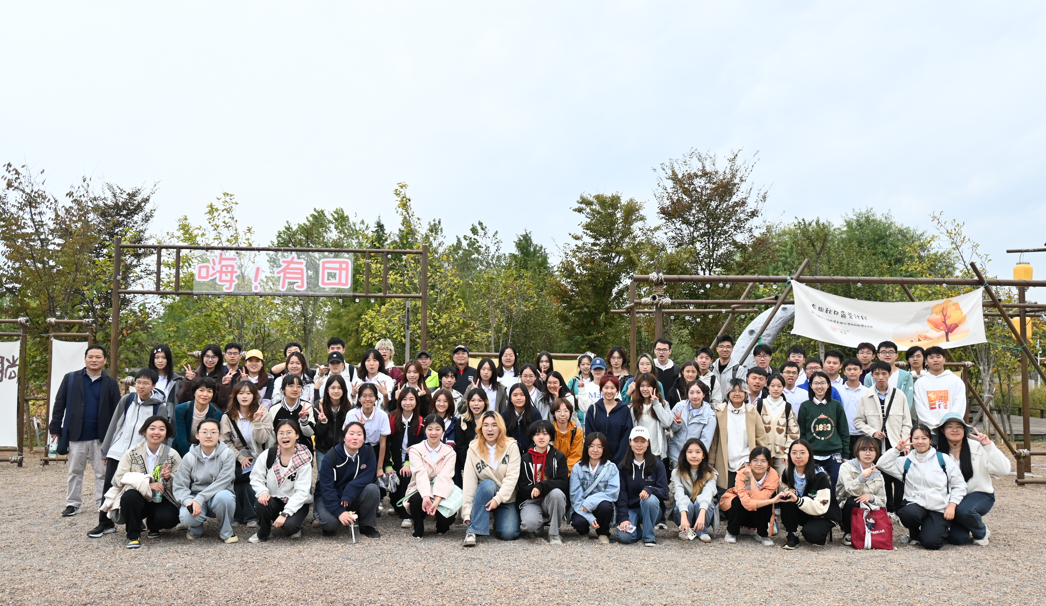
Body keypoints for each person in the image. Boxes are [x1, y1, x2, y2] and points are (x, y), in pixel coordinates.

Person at [94, 369, 171, 537]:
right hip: (117, 451)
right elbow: (115, 424)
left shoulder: (158, 407)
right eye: (138, 382)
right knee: (110, 486)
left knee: (138, 487)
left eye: (145, 383)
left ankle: (137, 521)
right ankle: (105, 523)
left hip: (139, 455)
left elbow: (161, 434)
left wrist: (160, 457)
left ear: (153, 385)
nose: (141, 386)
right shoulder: (127, 400)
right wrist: (106, 451)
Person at [49, 344, 122, 518]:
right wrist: (55, 427)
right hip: (76, 433)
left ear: (105, 360)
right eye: (90, 356)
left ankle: (102, 503)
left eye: (98, 357)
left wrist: (116, 435)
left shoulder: (111, 382)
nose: (94, 360)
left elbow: (118, 411)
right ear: (85, 359)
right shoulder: (71, 378)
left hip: (102, 436)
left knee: (102, 473)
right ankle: (73, 503)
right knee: (74, 471)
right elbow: (59, 403)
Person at [878, 425, 967, 550]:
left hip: (938, 507)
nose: (920, 441)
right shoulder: (906, 461)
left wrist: (952, 505)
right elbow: (881, 464)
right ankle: (914, 533)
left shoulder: (943, 459)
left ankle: (935, 529)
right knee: (907, 513)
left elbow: (959, 485)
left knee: (932, 543)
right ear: (911, 440)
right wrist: (897, 450)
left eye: (924, 438)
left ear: (930, 440)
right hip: (915, 504)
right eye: (916, 438)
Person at [937, 412, 1010, 546]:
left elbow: (1004, 470)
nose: (954, 430)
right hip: (953, 499)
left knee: (965, 510)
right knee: (957, 539)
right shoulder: (938, 451)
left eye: (959, 426)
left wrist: (989, 446)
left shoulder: (977, 447)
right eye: (950, 426)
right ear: (942, 430)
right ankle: (967, 523)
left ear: (964, 429)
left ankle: (981, 531)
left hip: (979, 494)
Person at [111, 415, 182, 548]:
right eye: (152, 428)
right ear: (144, 431)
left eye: (161, 429)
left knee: (171, 517)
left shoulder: (173, 455)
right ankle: (133, 535)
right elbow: (118, 479)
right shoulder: (132, 453)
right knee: (129, 497)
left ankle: (153, 525)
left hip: (162, 498)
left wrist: (168, 478)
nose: (156, 432)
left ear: (166, 433)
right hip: (138, 497)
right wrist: (147, 484)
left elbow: (182, 481)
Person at [853, 360, 912, 514]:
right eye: (877, 374)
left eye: (884, 374)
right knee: (881, 477)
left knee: (900, 478)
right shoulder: (866, 396)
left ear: (889, 375)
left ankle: (900, 509)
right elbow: (858, 421)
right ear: (871, 375)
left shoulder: (899, 395)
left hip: (897, 444)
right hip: (876, 445)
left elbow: (907, 422)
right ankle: (887, 509)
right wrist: (872, 431)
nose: (880, 377)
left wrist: (905, 443)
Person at [173, 418, 239, 543]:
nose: (209, 436)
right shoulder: (189, 457)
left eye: (213, 432)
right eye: (204, 432)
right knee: (186, 517)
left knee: (225, 497)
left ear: (219, 436)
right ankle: (195, 528)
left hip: (218, 495)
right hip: (195, 496)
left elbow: (224, 481)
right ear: (197, 436)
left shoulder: (227, 454)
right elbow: (180, 485)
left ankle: (227, 531)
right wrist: (189, 501)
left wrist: (200, 498)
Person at [220, 380, 275, 528]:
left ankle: (251, 516)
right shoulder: (227, 417)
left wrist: (256, 421)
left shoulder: (263, 413)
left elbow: (262, 439)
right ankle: (238, 516)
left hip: (259, 457)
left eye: (248, 393)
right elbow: (225, 442)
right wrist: (240, 457)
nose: (244, 396)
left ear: (254, 396)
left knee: (250, 481)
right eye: (241, 393)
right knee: (238, 481)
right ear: (235, 396)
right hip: (235, 457)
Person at [461, 411, 522, 546]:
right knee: (488, 484)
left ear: (500, 427)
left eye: (494, 425)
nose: (490, 429)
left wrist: (498, 499)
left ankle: (496, 520)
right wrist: (467, 512)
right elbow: (469, 481)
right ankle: (472, 531)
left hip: (505, 498)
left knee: (509, 533)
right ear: (480, 428)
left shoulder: (511, 446)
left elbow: (512, 478)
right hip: (484, 495)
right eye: (486, 425)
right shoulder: (473, 448)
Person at [248, 419, 313, 542]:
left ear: (297, 436)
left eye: (289, 432)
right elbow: (256, 477)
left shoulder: (304, 459)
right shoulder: (268, 454)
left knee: (290, 527)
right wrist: (263, 492)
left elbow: (302, 492)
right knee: (261, 503)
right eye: (281, 433)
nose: (285, 436)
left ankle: (293, 525)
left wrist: (285, 513)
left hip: (297, 502)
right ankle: (264, 532)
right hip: (274, 499)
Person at [315, 421, 382, 539]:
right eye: (351, 433)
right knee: (330, 524)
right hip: (330, 495)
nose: (355, 437)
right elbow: (326, 488)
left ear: (364, 438)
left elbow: (368, 476)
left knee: (372, 489)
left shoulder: (368, 452)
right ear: (344, 437)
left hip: (351, 494)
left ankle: (366, 525)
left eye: (359, 434)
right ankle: (333, 516)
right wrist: (339, 512)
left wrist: (349, 491)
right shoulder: (331, 456)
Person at [778, 439, 840, 549]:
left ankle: (821, 531)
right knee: (787, 497)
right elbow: (783, 485)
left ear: (810, 454)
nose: (798, 456)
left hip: (822, 513)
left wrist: (798, 500)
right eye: (794, 452)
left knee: (813, 536)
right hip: (804, 510)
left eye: (802, 452)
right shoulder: (788, 471)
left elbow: (822, 505)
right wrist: (788, 490)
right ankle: (792, 534)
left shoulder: (821, 475)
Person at [404, 415, 458, 538]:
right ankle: (418, 529)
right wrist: (426, 496)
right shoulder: (415, 450)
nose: (434, 433)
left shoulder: (450, 452)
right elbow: (420, 474)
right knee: (416, 499)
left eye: (438, 429)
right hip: (420, 487)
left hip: (443, 488)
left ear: (443, 430)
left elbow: (445, 477)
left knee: (446, 518)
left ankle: (442, 527)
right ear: (425, 429)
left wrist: (437, 500)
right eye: (430, 429)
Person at [710, 379, 768, 493]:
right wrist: (711, 459)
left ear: (746, 393)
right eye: (733, 391)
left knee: (746, 492)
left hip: (746, 460)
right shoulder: (720, 411)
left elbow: (760, 436)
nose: (737, 393)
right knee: (725, 494)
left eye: (741, 391)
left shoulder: (752, 411)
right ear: (728, 393)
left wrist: (762, 458)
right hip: (725, 459)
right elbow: (714, 438)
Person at [518, 420, 570, 544]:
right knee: (530, 525)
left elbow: (562, 482)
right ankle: (538, 526)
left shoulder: (559, 456)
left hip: (551, 499)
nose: (541, 437)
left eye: (545, 434)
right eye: (537, 434)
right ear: (532, 437)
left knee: (557, 493)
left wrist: (541, 486)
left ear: (550, 436)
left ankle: (554, 533)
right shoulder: (525, 458)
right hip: (531, 500)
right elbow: (522, 487)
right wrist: (534, 490)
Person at [616, 426, 669, 547]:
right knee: (625, 537)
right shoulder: (622, 467)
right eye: (636, 441)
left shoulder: (658, 465)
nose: (639, 445)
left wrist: (650, 489)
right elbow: (621, 495)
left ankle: (649, 537)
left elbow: (665, 492)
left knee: (649, 499)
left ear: (648, 443)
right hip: (631, 509)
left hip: (652, 509)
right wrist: (623, 518)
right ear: (630, 442)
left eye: (643, 441)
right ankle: (639, 532)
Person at [720, 446, 782, 546]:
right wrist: (772, 501)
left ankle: (762, 534)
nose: (759, 464)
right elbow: (746, 502)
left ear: (768, 464)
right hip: (740, 510)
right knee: (738, 500)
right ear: (750, 462)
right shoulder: (742, 473)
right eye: (755, 460)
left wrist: (752, 479)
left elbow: (761, 498)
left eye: (763, 461)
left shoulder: (773, 476)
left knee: (766, 501)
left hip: (758, 513)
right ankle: (731, 532)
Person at [797, 371, 849, 487]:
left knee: (836, 481)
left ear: (828, 385)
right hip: (812, 453)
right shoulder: (805, 406)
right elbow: (802, 433)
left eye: (822, 383)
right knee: (813, 484)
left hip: (834, 453)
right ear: (811, 386)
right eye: (816, 383)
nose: (819, 386)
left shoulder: (836, 405)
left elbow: (844, 431)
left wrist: (845, 455)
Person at [569, 432, 621, 544]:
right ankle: (583, 531)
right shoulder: (577, 468)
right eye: (591, 446)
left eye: (599, 447)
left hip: (600, 506)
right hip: (581, 507)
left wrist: (589, 502)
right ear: (586, 447)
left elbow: (612, 493)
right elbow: (575, 497)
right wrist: (589, 516)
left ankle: (603, 532)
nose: (595, 450)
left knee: (606, 506)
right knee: (579, 522)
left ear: (604, 449)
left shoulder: (611, 468)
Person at [835, 436, 887, 547]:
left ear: (876, 453)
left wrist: (870, 497)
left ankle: (873, 532)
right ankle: (849, 532)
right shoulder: (846, 467)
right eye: (863, 449)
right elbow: (850, 490)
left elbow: (883, 501)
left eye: (871, 450)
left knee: (867, 502)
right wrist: (862, 478)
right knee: (853, 501)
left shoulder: (878, 474)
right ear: (857, 452)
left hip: (869, 508)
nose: (868, 453)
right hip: (847, 505)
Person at [384, 386, 425, 526]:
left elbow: (418, 446)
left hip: (411, 461)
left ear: (416, 402)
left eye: (411, 399)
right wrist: (387, 465)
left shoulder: (420, 421)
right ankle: (396, 505)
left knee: (406, 476)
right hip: (394, 460)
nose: (408, 402)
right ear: (399, 401)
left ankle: (406, 515)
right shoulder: (392, 418)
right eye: (404, 399)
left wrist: (408, 463)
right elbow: (386, 443)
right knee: (394, 485)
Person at [670, 437, 717, 542]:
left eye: (698, 452)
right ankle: (685, 530)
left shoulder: (711, 473)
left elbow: (707, 494)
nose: (694, 455)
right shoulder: (676, 472)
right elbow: (679, 494)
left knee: (705, 503)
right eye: (690, 452)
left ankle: (703, 530)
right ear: (685, 454)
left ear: (703, 455)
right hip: (685, 511)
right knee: (687, 503)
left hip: (702, 512)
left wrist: (702, 514)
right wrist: (683, 516)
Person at [344, 383, 391, 485]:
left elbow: (383, 443)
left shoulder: (382, 416)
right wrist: (358, 428)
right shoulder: (351, 414)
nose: (367, 399)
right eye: (364, 396)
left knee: (375, 484)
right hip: (355, 450)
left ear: (376, 398)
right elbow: (346, 439)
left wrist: (379, 467)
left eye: (371, 395)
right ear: (359, 398)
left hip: (374, 451)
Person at [912, 345, 967, 429]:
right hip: (929, 429)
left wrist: (949, 422)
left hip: (951, 428)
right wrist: (934, 423)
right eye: (931, 358)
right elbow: (920, 407)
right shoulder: (920, 383)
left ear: (944, 359)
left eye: (938, 357)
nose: (935, 360)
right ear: (926, 360)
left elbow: (959, 404)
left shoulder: (956, 381)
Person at [756, 373, 799, 475]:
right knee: (762, 480)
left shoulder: (787, 406)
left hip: (781, 455)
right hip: (762, 453)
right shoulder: (760, 404)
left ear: (783, 387)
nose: (776, 389)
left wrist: (787, 453)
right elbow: (753, 429)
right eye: (772, 386)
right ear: (768, 386)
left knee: (782, 480)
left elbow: (793, 432)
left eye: (779, 386)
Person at [584, 375, 634, 464]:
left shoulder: (624, 410)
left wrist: (619, 458)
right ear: (601, 389)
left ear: (617, 390)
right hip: (597, 459)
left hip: (619, 461)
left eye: (612, 388)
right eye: (606, 388)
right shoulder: (593, 409)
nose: (609, 391)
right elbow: (590, 434)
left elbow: (626, 436)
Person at [863, 340, 916, 423]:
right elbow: (867, 399)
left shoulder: (906, 376)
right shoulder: (869, 376)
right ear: (878, 355)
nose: (887, 355)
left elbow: (908, 400)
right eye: (883, 352)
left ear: (896, 355)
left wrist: (901, 418)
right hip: (876, 420)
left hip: (898, 420)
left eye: (891, 352)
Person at [628, 372, 673, 468]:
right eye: (642, 386)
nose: (645, 389)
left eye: (648, 386)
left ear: (654, 387)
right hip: (638, 451)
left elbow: (667, 423)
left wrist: (656, 403)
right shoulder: (632, 406)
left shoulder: (663, 404)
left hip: (657, 452)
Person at [173, 377, 223, 456]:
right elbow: (181, 438)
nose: (205, 394)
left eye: (209, 391)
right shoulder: (181, 409)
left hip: (203, 452)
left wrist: (200, 457)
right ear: (194, 392)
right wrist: (189, 458)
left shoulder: (217, 414)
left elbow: (209, 438)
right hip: (180, 450)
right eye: (201, 390)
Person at [669, 380, 717, 462]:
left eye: (698, 392)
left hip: (694, 457)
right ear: (687, 394)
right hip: (676, 454)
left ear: (703, 394)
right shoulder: (679, 406)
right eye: (691, 393)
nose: (695, 396)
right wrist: (677, 424)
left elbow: (706, 441)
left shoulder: (710, 415)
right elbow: (671, 430)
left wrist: (697, 456)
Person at [267, 374, 315, 452]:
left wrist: (303, 420)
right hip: (281, 452)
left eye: (299, 386)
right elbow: (271, 436)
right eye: (291, 386)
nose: (295, 389)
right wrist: (271, 452)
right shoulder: (274, 409)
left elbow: (309, 433)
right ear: (283, 389)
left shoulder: (307, 406)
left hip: (304, 452)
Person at [313, 374, 351, 471]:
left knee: (341, 477)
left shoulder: (350, 407)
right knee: (322, 476)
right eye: (333, 388)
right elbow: (318, 433)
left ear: (344, 390)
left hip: (343, 449)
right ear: (327, 389)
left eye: (339, 388)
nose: (336, 391)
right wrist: (323, 422)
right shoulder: (319, 405)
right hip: (323, 449)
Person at [454, 388, 488, 487]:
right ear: (468, 403)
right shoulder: (462, 421)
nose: (476, 404)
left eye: (480, 400)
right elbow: (461, 448)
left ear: (485, 402)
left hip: (489, 467)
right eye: (473, 400)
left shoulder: (492, 420)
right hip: (468, 467)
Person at [502, 383, 542, 453]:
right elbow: (503, 437)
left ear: (527, 397)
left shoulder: (535, 414)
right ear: (510, 398)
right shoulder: (504, 415)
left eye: (522, 395)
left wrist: (529, 453)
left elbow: (538, 435)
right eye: (515, 395)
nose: (519, 398)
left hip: (532, 453)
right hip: (510, 452)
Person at [839, 357, 867, 455]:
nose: (852, 372)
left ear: (861, 371)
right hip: (843, 434)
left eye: (855, 369)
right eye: (849, 369)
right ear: (844, 372)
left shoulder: (867, 391)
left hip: (862, 433)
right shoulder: (837, 390)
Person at [551, 397, 584, 473]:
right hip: (551, 471)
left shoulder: (577, 431)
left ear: (570, 413)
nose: (562, 414)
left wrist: (563, 471)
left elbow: (575, 456)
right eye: (558, 411)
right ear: (553, 414)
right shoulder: (549, 430)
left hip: (569, 472)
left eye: (566, 411)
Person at [711, 335, 745, 403]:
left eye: (728, 347)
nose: (725, 349)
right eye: (721, 346)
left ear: (732, 349)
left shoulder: (738, 370)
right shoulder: (710, 369)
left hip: (730, 407)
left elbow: (741, 391)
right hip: (711, 407)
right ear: (717, 349)